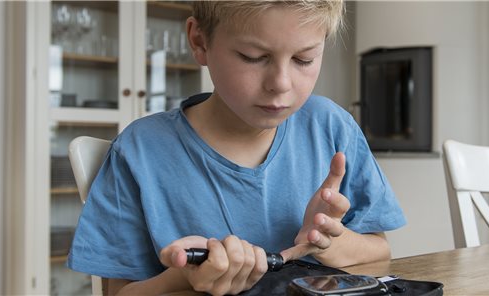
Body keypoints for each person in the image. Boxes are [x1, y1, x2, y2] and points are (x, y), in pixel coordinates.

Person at [67, 1, 406, 295]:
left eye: (304, 59)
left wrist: (331, 242)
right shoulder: (140, 152)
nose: (281, 84)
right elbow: (119, 293)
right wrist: (184, 278)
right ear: (199, 41)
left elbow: (380, 255)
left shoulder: (332, 128)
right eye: (254, 57)